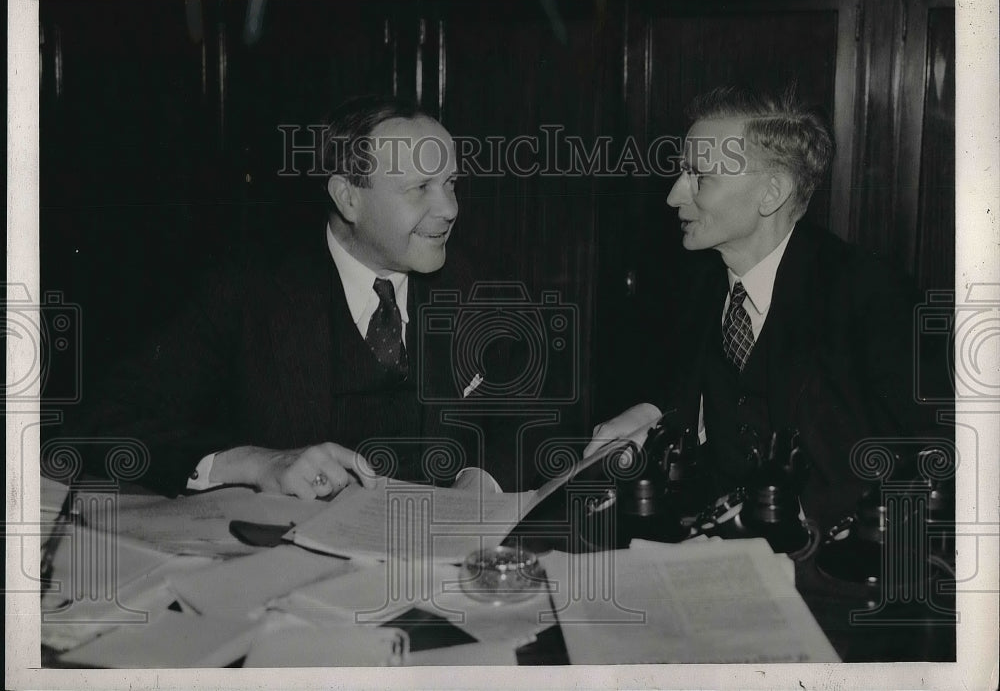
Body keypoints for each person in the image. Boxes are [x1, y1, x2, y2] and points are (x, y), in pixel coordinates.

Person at [71, 95, 492, 500]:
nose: (450, 208)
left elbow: (533, 411)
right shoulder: (246, 290)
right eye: (420, 188)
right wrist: (254, 465)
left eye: (450, 183)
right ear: (348, 198)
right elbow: (102, 422)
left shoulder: (470, 282)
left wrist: (481, 477)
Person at [585, 85, 942, 529]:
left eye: (700, 177)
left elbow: (921, 461)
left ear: (770, 193)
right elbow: (694, 389)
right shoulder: (693, 282)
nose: (674, 195)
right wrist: (654, 415)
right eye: (681, 172)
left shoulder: (869, 293)